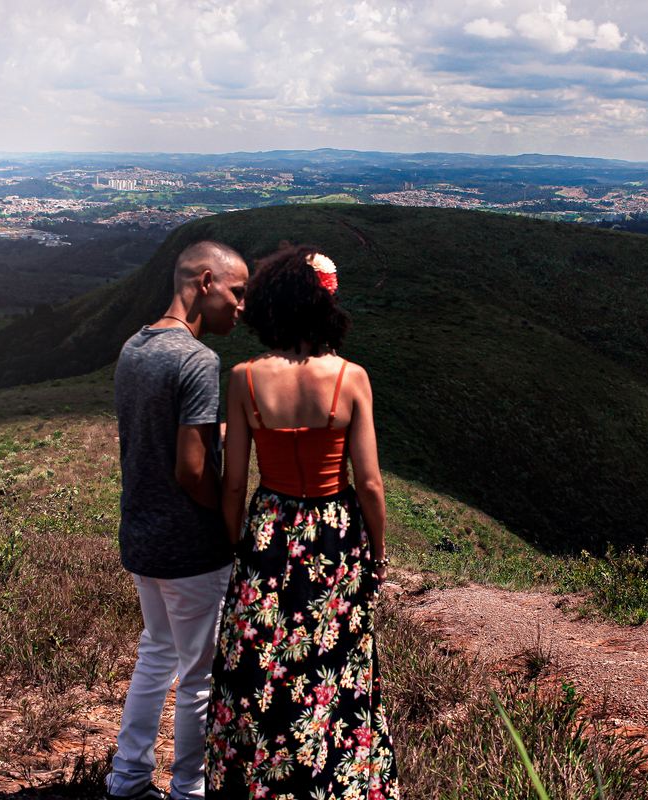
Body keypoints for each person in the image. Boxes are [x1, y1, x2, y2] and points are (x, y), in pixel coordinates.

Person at [205, 244, 399, 800]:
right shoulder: (351, 378)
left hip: (269, 531)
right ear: (324, 307)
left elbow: (234, 482)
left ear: (270, 303)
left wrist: (235, 545)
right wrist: (377, 556)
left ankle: (257, 781)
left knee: (260, 667)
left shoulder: (243, 378)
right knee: (333, 664)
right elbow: (369, 484)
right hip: (335, 535)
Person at [107, 240, 250, 800]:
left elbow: (153, 439)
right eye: (237, 294)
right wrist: (230, 519)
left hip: (142, 535)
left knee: (156, 653)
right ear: (207, 281)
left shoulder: (133, 348)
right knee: (198, 676)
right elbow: (192, 470)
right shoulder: (197, 359)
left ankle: (128, 777)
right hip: (190, 543)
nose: (240, 309)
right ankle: (189, 789)